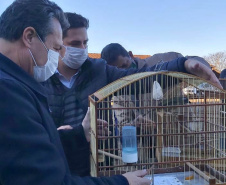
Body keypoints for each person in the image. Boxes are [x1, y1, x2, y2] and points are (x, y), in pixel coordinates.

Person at [42, 12, 222, 178]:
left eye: (85, 43)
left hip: (100, 162)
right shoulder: (39, 75)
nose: (82, 49)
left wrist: (184, 64)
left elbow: (139, 79)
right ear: (57, 45)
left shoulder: (99, 69)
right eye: (75, 44)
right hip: (57, 162)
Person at [0, 1, 151, 185]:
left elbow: (31, 150)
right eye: (56, 48)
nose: (81, 49)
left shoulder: (17, 82)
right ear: (29, 37)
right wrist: (122, 182)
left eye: (85, 43)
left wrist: (79, 133)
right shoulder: (8, 92)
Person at [101, 43, 183, 69]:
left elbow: (189, 60)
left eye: (125, 65)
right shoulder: (119, 93)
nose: (123, 71)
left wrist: (189, 63)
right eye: (118, 70)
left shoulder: (157, 60)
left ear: (131, 55)